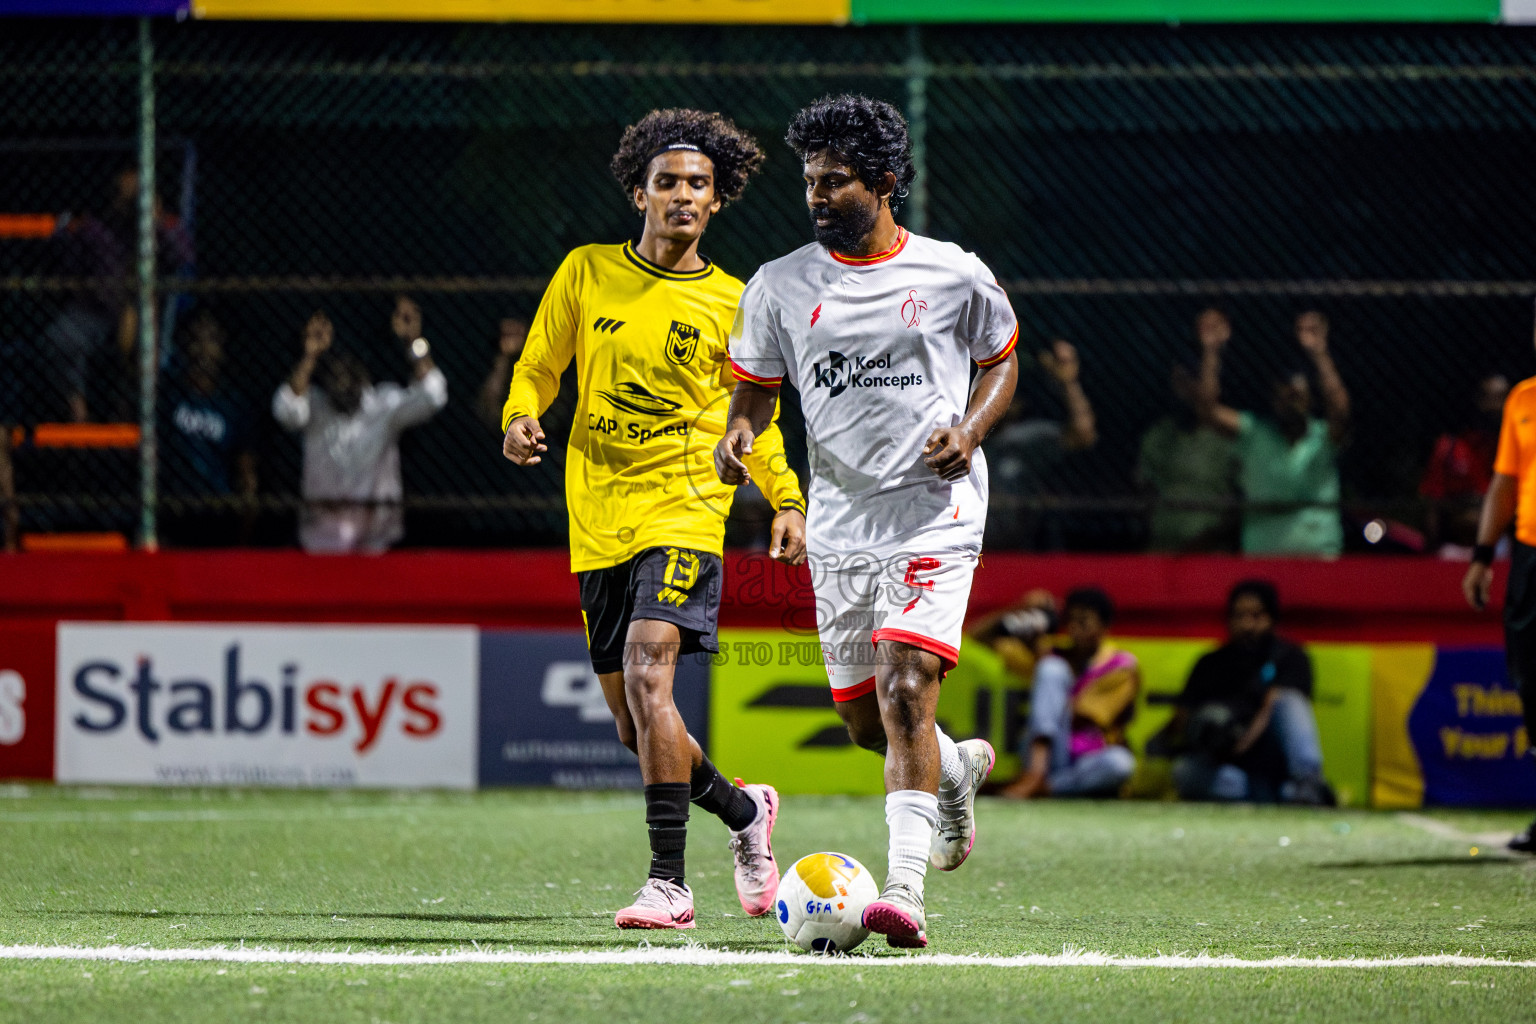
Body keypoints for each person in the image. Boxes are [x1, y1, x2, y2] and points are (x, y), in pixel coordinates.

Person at [718, 94, 1017, 948]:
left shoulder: (953, 272)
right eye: (810, 181)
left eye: (835, 182)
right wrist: (742, 431)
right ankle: (954, 767)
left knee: (906, 687)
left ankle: (905, 893)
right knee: (865, 721)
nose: (816, 196)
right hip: (842, 525)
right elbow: (756, 393)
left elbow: (1002, 361)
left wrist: (970, 429)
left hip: (934, 514)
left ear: (884, 183)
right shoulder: (779, 284)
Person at [500, 108, 806, 931]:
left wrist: (785, 498)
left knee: (648, 680)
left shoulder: (737, 303)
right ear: (639, 191)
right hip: (598, 517)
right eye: (667, 181)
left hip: (685, 510)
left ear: (718, 202)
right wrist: (521, 413)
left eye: (698, 185)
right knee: (636, 728)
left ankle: (668, 883)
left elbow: (757, 422)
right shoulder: (586, 273)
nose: (681, 195)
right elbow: (538, 365)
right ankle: (744, 814)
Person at [271, 309, 446, 553]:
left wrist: (412, 341)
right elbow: (285, 410)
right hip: (321, 543)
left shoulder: (383, 404)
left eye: (349, 373)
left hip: (375, 543)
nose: (343, 382)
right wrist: (310, 356)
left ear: (363, 375)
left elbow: (432, 396)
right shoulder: (315, 405)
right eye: (335, 374)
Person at [1159, 579, 1334, 805]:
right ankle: (1274, 794)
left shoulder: (1291, 657)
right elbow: (1183, 717)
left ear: (1271, 618)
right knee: (1186, 773)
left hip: (1272, 756)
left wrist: (1241, 743)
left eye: (1256, 616)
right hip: (1230, 770)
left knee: (1289, 701)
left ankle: (1307, 782)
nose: (1247, 625)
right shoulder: (1210, 663)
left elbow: (1274, 704)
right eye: (1239, 616)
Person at [1463, 328, 1536, 854]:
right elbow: (1505, 483)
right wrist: (1483, 555)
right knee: (1530, 677)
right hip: (1530, 554)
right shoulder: (1522, 398)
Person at [1197, 311, 1351, 557]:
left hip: (1320, 559)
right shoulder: (1254, 432)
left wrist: (1319, 353)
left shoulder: (1323, 437)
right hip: (1264, 558)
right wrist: (1212, 351)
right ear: (1273, 402)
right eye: (1284, 397)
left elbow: (1341, 410)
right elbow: (1208, 411)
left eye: (1297, 396)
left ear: (1310, 400)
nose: (1291, 404)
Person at [45, 168, 193, 422]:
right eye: (126, 193)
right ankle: (78, 411)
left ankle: (129, 413)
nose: (132, 199)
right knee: (61, 338)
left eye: (139, 192)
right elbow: (68, 266)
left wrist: (153, 221)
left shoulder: (162, 225)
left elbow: (182, 258)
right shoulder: (96, 227)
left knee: (140, 337)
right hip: (96, 309)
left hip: (142, 309)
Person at [1001, 587, 1139, 799]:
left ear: (1104, 626)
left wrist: (1040, 659)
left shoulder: (1121, 665)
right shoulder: (1054, 657)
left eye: (1083, 622)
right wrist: (1020, 609)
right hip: (1047, 754)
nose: (1074, 629)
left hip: (1087, 760)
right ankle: (1036, 772)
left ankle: (1046, 786)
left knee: (1120, 763)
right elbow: (977, 636)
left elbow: (1081, 713)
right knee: (1051, 668)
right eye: (1070, 621)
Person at [1137, 309, 1239, 553]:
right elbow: (1144, 491)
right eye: (1177, 381)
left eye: (1188, 382)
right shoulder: (1159, 435)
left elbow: (1244, 501)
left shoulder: (1227, 436)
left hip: (1211, 553)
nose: (1182, 390)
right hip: (1163, 551)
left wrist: (1209, 539)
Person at [986, 339, 1098, 549]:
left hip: (1024, 541)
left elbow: (1084, 434)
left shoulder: (1031, 436)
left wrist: (1068, 382)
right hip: (979, 538)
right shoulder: (968, 431)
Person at [160, 309, 258, 547]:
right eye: (196, 340)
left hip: (215, 514)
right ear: (185, 346)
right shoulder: (169, 395)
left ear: (222, 349)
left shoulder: (233, 405)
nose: (203, 349)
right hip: (172, 511)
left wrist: (245, 529)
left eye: (211, 340)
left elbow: (246, 473)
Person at [1423, 372, 1509, 555]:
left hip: (1498, 544)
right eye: (1489, 398)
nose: (1495, 406)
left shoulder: (1511, 449)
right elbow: (1434, 502)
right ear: (1477, 400)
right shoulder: (1450, 446)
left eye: (1501, 398)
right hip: (1454, 545)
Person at [477, 318, 530, 432]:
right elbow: (488, 409)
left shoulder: (538, 363)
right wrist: (504, 357)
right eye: (506, 335)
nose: (511, 341)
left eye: (516, 334)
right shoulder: (489, 360)